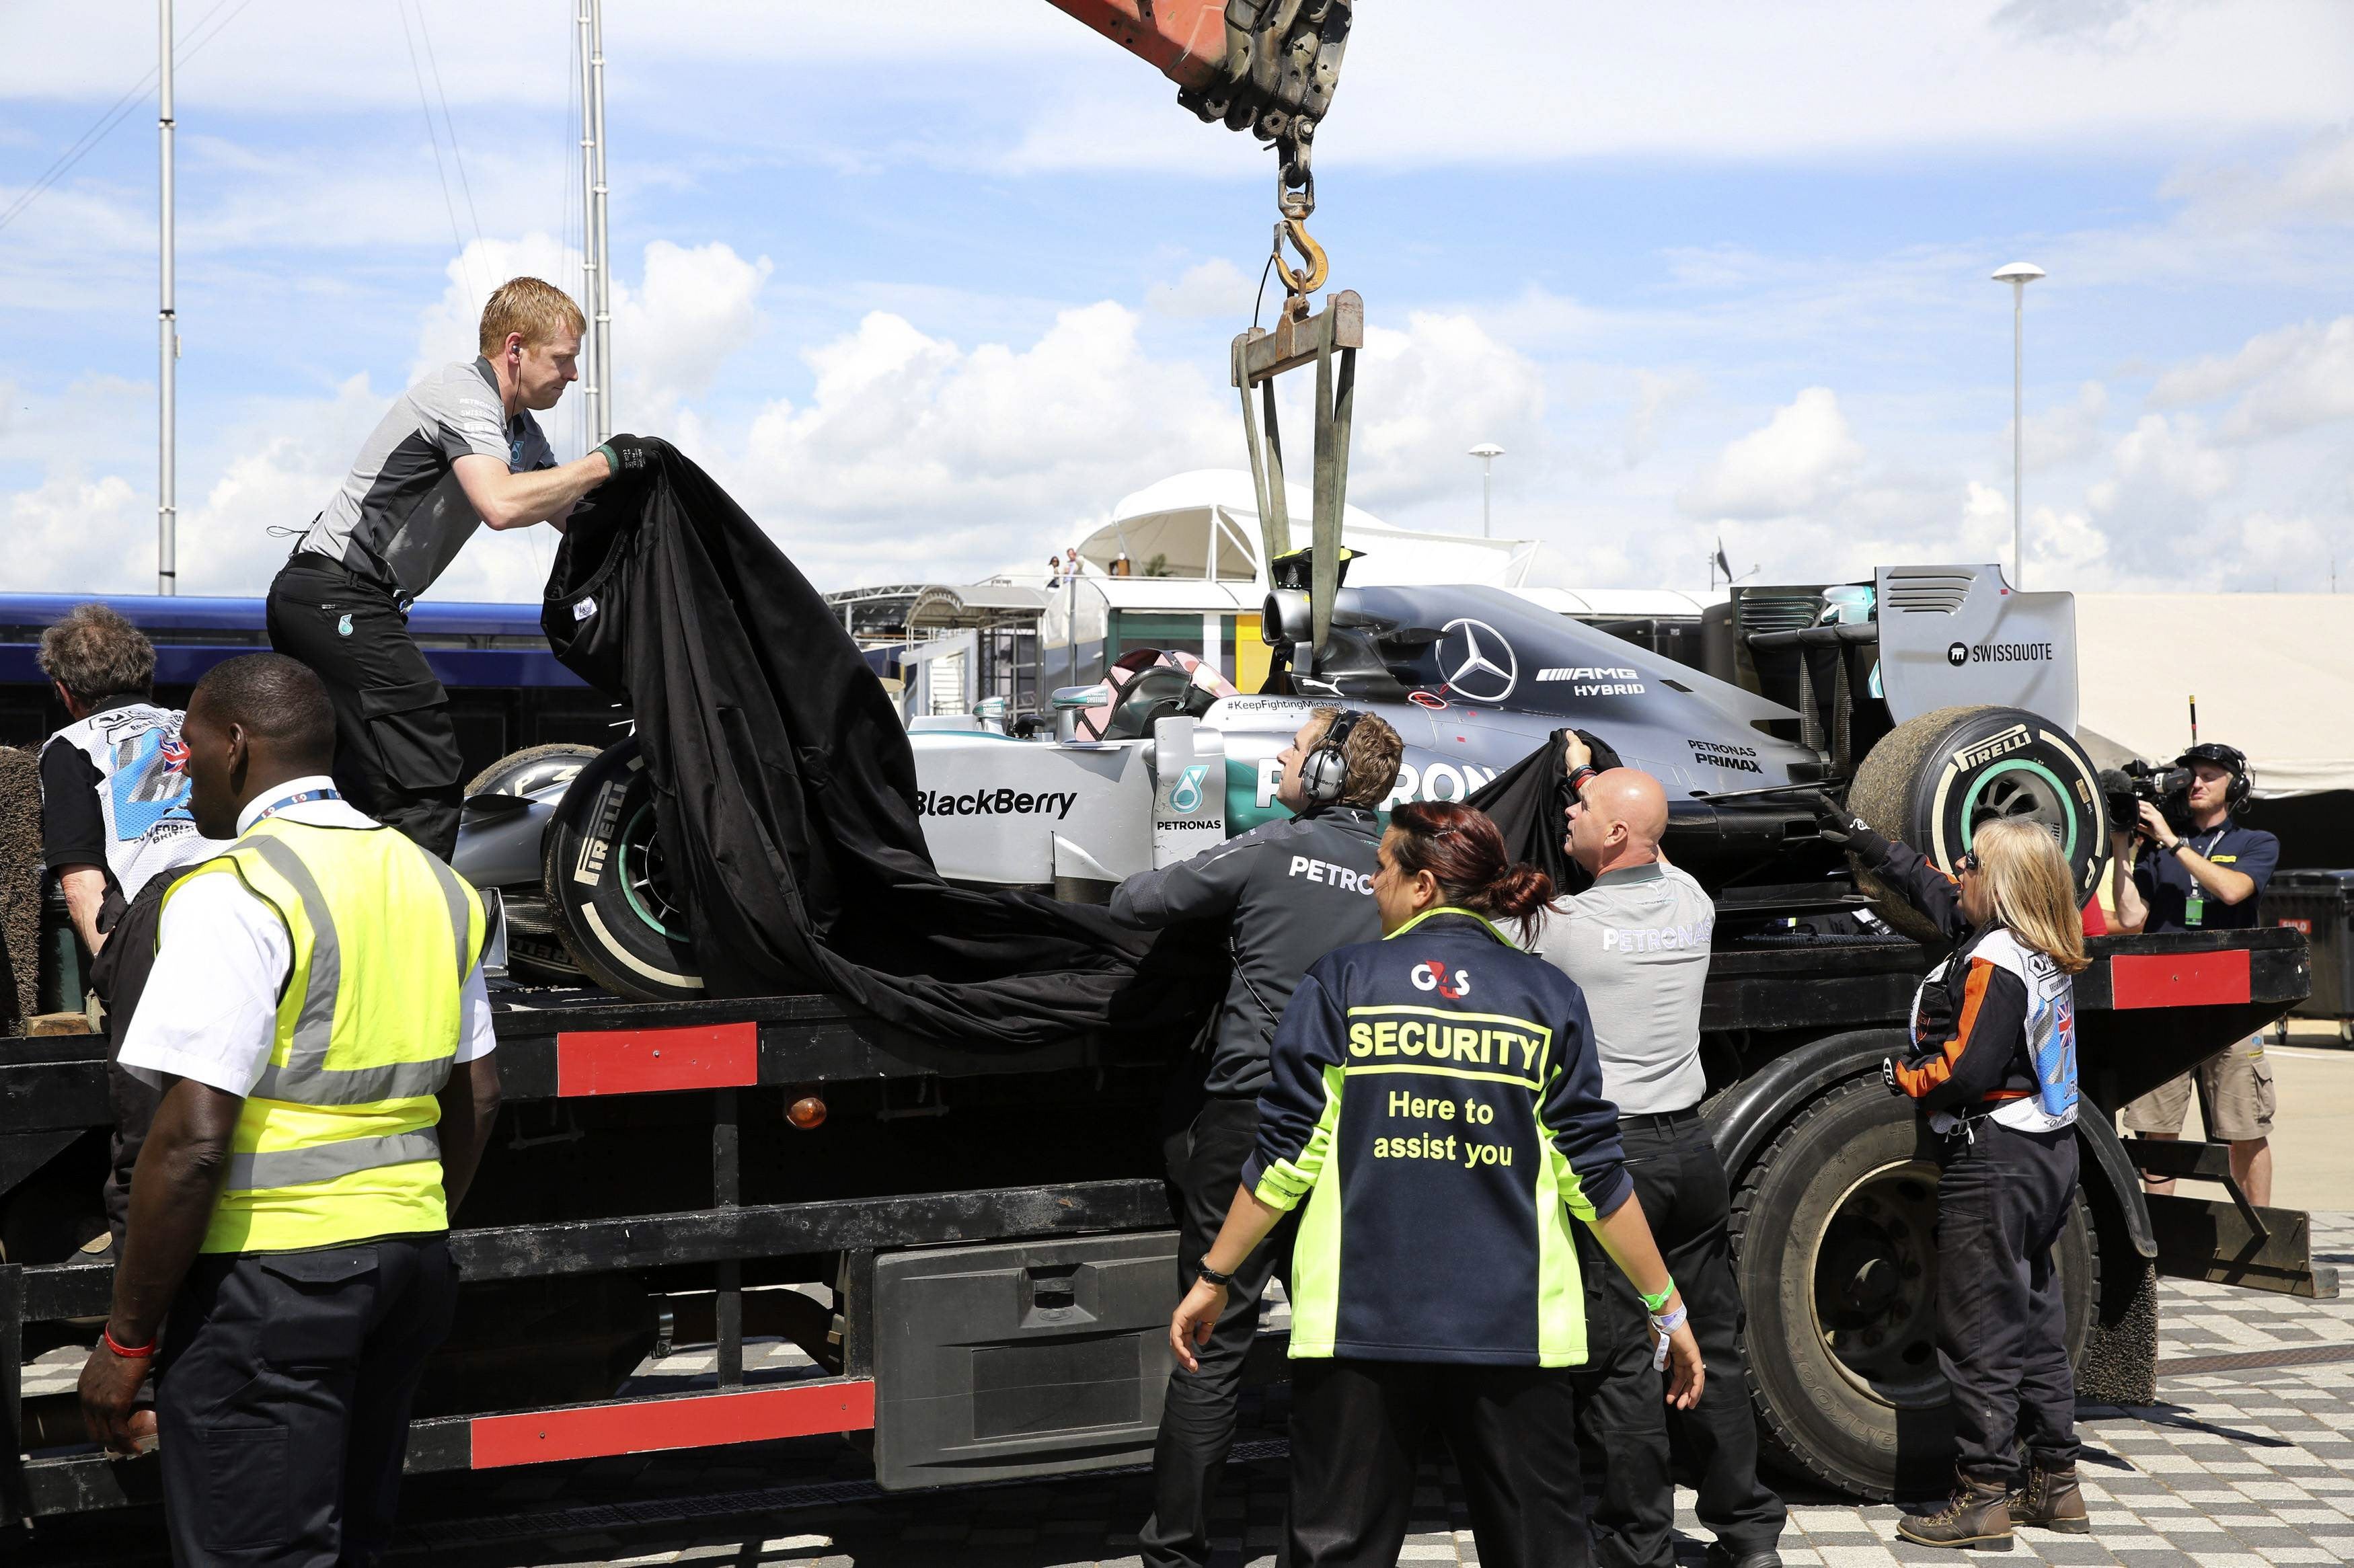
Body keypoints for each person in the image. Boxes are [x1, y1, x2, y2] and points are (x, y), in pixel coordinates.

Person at [1170, 801, 1703, 1568]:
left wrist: (1214, 1276)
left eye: (1381, 869)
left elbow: (1285, 1159)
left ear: (1421, 886)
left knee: (1334, 1553)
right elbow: (1593, 1174)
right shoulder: (1545, 996)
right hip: (1514, 1333)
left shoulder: (1342, 982)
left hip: (1358, 1326)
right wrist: (1667, 1307)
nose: (1370, 883)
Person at [77, 654, 504, 1566]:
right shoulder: (439, 885)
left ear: (238, 745)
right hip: (406, 1270)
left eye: (188, 747)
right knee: (352, 1539)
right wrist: (404, 1225)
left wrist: (125, 1339)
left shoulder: (234, 893)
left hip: (269, 1285)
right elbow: (478, 1096)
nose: (180, 769)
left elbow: (189, 1145)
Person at [1114, 707, 1405, 1568]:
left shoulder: (1273, 847)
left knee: (1212, 1335)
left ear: (1320, 776)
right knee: (1334, 1344)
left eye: (1294, 749)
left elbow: (1139, 900)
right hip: (1353, 1132)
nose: (1280, 757)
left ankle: (1174, 1550)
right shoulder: (1403, 870)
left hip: (1249, 1123)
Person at [266, 276, 649, 862]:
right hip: (333, 594)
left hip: (353, 602)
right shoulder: (464, 395)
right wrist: (603, 462)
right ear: (515, 349)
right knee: (425, 774)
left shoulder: (520, 433)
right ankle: (417, 930)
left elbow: (575, 519)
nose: (574, 376)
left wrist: (648, 504)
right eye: (564, 360)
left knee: (367, 784)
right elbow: (500, 504)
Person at [1809, 797, 2092, 1548]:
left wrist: (1900, 1077)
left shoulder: (1992, 960)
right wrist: (1869, 842)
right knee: (2031, 1315)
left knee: (1976, 1330)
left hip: (1993, 1156)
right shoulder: (2029, 940)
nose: (1956, 870)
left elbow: (1961, 1071)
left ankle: (1982, 1496)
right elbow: (1934, 891)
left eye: (1969, 862)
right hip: (2045, 1150)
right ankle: (2055, 1482)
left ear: (1996, 883)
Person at [1549, 736, 1785, 1568]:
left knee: (1621, 1361)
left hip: (1615, 1167)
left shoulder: (1562, 929)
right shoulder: (1691, 900)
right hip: (1690, 1151)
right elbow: (1634, 827)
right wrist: (1586, 770)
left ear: (1613, 838)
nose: (1566, 813)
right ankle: (1749, 1533)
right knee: (1709, 1345)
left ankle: (1634, 1546)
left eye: (1577, 807)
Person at [34, 602, 231, 1250]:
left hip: (156, 918)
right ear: (148, 675)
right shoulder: (190, 725)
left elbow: (81, 873)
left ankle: (143, 1316)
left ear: (66, 693)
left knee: (151, 1130)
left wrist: (109, 969)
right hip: (242, 896)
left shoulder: (72, 745)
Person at [2109, 744, 2280, 1205]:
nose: (2197, 784)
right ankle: (2159, 1236)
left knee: (2244, 1126)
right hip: (2165, 999)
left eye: (2209, 776)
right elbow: (2128, 919)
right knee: (2155, 1128)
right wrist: (2122, 844)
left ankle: (2260, 1239)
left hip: (2232, 1004)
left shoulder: (2255, 843)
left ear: (2236, 786)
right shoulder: (2159, 849)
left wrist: (2173, 842)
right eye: (2191, 777)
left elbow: (2231, 891)